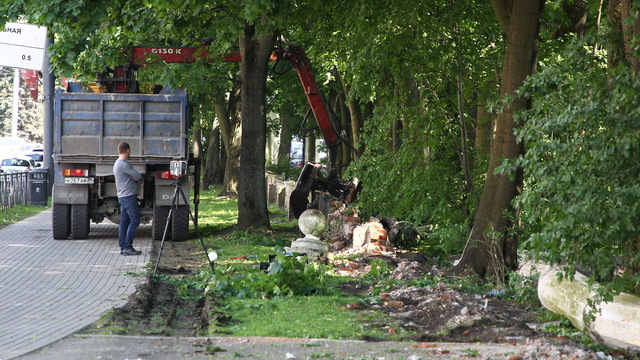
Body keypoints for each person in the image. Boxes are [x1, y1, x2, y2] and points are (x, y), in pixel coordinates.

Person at [113, 142, 143, 256]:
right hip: (129, 197)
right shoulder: (124, 164)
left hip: (122, 196)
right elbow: (139, 176)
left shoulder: (117, 163)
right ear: (128, 151)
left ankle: (123, 246)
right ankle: (128, 246)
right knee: (135, 220)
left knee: (124, 222)